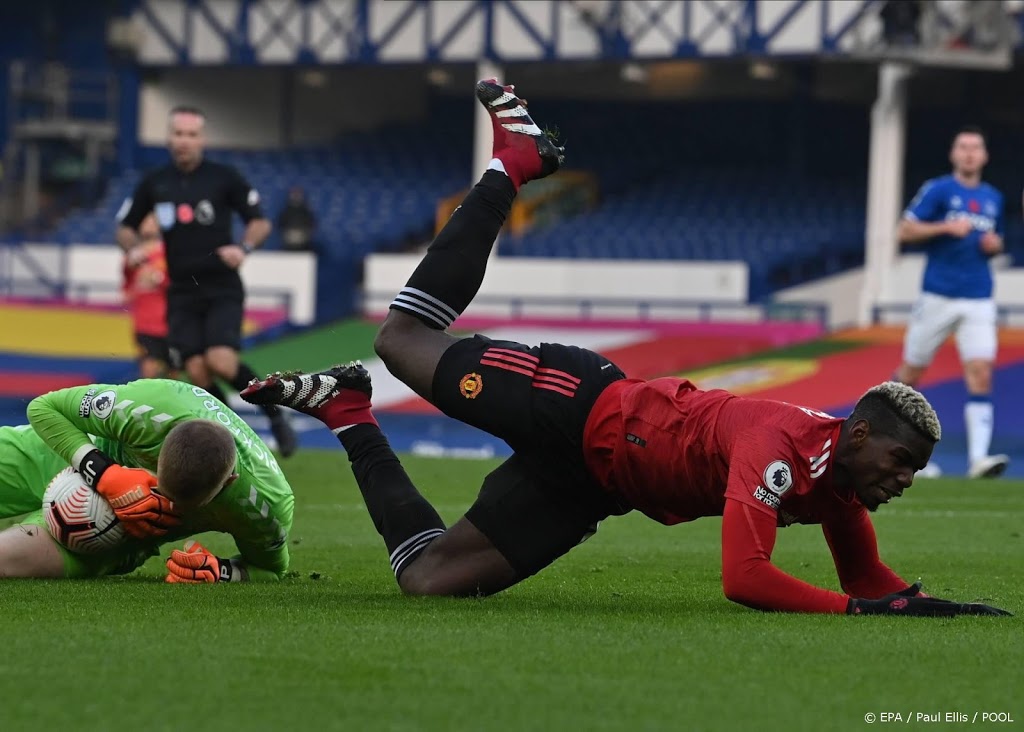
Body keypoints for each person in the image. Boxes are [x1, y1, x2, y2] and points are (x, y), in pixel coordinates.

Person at [241, 80, 1009, 618]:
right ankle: (514, 163)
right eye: (902, 462)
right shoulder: (779, 446)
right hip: (574, 404)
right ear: (862, 434)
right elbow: (745, 579)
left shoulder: (838, 480)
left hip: (598, 482)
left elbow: (867, 577)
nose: (906, 479)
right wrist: (857, 613)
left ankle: (347, 411)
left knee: (430, 582)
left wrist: (924, 606)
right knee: (399, 338)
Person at [115, 105, 297, 457]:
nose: (184, 141)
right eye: (178, 134)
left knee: (221, 363)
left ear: (203, 139)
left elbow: (259, 222)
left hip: (221, 287)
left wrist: (243, 247)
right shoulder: (155, 183)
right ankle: (229, 437)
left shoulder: (224, 177)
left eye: (191, 134)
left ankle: (275, 416)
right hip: (181, 291)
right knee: (198, 373)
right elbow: (124, 227)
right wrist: (134, 248)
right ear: (169, 138)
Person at [0, 378, 294, 582]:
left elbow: (271, 570)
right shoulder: (150, 410)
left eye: (180, 506)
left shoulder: (264, 503)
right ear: (159, 447)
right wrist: (105, 474)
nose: (164, 501)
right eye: (158, 486)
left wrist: (221, 571)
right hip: (66, 451)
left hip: (104, 534)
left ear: (229, 482)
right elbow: (44, 408)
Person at [895, 125, 1008, 479]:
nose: (970, 153)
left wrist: (995, 246)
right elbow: (905, 230)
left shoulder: (993, 197)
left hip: (978, 297)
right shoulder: (939, 189)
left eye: (976, 147)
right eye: (964, 147)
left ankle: (978, 460)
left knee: (980, 372)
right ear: (954, 154)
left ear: (985, 155)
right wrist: (944, 228)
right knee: (910, 374)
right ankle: (895, 450)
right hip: (938, 295)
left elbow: (996, 239)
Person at [123, 213, 174, 378]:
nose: (148, 225)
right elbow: (127, 288)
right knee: (148, 369)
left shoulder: (169, 253)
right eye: (144, 221)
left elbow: (178, 284)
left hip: (169, 322)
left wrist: (158, 279)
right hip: (144, 323)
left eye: (152, 221)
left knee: (174, 372)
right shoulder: (132, 257)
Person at [277, 186, 316, 252]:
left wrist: (303, 235)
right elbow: (280, 226)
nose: (296, 196)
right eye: (294, 194)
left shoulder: (306, 212)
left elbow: (311, 226)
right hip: (288, 243)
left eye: (298, 194)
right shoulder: (285, 212)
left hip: (304, 244)